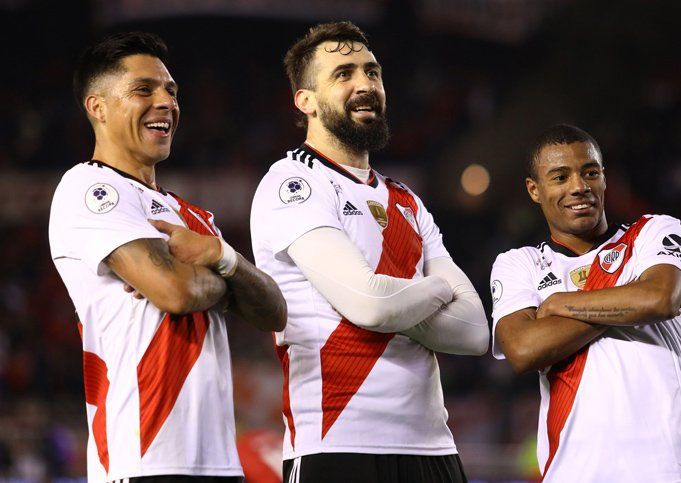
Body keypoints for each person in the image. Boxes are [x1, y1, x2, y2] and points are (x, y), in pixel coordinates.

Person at [250, 21, 489, 483]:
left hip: (434, 448)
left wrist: (394, 302)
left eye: (372, 72)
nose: (365, 84)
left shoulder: (407, 201)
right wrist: (437, 288)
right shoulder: (293, 183)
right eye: (343, 74)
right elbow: (371, 304)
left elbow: (475, 331)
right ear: (305, 101)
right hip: (338, 443)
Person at [49, 32, 287, 482]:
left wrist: (221, 256)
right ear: (97, 107)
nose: (166, 102)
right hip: (143, 457)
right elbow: (175, 291)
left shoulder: (194, 216)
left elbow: (274, 311)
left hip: (220, 462)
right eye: (144, 89)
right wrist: (226, 281)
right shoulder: (88, 187)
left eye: (171, 91)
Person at [490, 124, 681, 482]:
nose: (579, 186)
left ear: (604, 178)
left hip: (670, 471)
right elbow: (523, 349)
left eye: (590, 172)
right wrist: (627, 300)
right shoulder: (521, 264)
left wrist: (560, 303)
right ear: (534, 189)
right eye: (560, 177)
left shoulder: (652, 233)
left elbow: (660, 298)